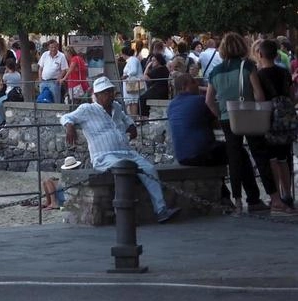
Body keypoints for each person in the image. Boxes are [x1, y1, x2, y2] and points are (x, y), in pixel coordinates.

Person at [61, 76, 180, 223]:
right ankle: (122, 215)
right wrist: (69, 126)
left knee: (149, 168)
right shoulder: (87, 109)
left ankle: (161, 210)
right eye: (105, 93)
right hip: (104, 156)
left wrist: (131, 126)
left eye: (111, 92)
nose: (109, 95)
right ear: (97, 96)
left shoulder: (116, 107)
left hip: (127, 152)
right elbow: (66, 117)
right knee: (124, 171)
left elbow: (126, 118)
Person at [205, 32, 271, 212]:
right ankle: (270, 198)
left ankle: (238, 200)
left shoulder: (215, 72)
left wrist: (220, 114)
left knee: (234, 159)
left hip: (228, 118)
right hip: (249, 114)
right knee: (260, 155)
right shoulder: (247, 66)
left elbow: (209, 100)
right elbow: (258, 93)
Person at [166, 74, 232, 204]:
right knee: (238, 152)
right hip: (201, 153)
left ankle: (225, 196)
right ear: (185, 86)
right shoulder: (200, 101)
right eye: (194, 82)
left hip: (183, 156)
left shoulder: (171, 106)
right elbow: (218, 122)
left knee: (220, 152)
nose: (198, 85)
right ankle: (252, 199)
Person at [254, 39, 295, 211]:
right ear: (277, 54)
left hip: (269, 118)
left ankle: (277, 195)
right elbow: (293, 96)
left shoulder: (259, 75)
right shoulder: (285, 72)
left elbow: (260, 98)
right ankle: (288, 194)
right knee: (284, 157)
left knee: (272, 158)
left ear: (260, 54)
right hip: (286, 119)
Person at [0, 59, 22, 127]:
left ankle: (1, 122)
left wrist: (5, 72)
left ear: (7, 67)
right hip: (18, 94)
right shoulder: (18, 74)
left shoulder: (6, 76)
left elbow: (1, 87)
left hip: (9, 95)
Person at [37, 39, 67, 104]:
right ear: (48, 47)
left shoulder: (62, 56)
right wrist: (40, 80)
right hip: (44, 81)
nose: (53, 49)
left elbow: (64, 70)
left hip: (54, 82)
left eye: (55, 47)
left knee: (56, 100)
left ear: (57, 47)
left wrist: (58, 79)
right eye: (51, 47)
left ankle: (57, 113)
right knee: (43, 100)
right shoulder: (45, 54)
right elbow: (40, 68)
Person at [120, 46, 144, 117]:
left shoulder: (132, 60)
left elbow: (133, 71)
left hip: (133, 85)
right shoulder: (131, 60)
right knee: (131, 102)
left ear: (124, 54)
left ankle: (134, 119)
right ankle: (133, 118)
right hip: (130, 85)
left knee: (133, 102)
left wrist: (126, 75)